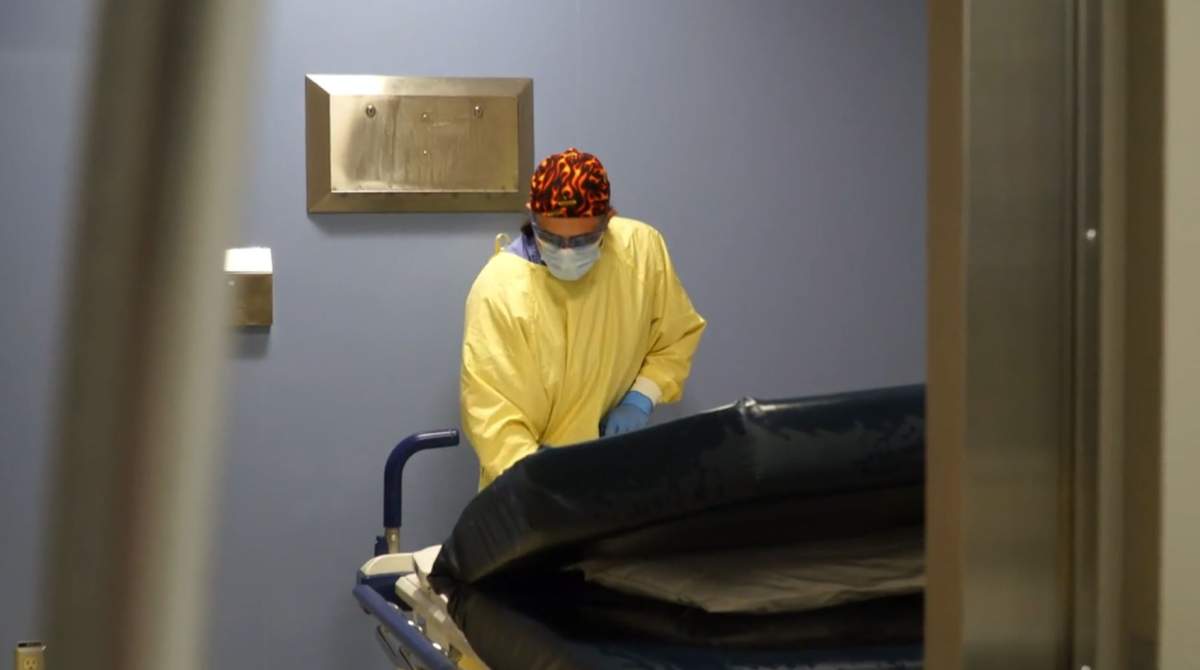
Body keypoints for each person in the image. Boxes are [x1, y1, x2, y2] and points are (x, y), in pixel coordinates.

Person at [460, 147, 706, 489]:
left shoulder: (640, 252)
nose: (567, 253)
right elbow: (492, 416)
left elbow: (675, 336)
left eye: (583, 240)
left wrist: (642, 396)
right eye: (551, 238)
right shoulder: (499, 290)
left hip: (614, 468)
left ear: (609, 219)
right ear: (532, 217)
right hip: (524, 487)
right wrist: (544, 481)